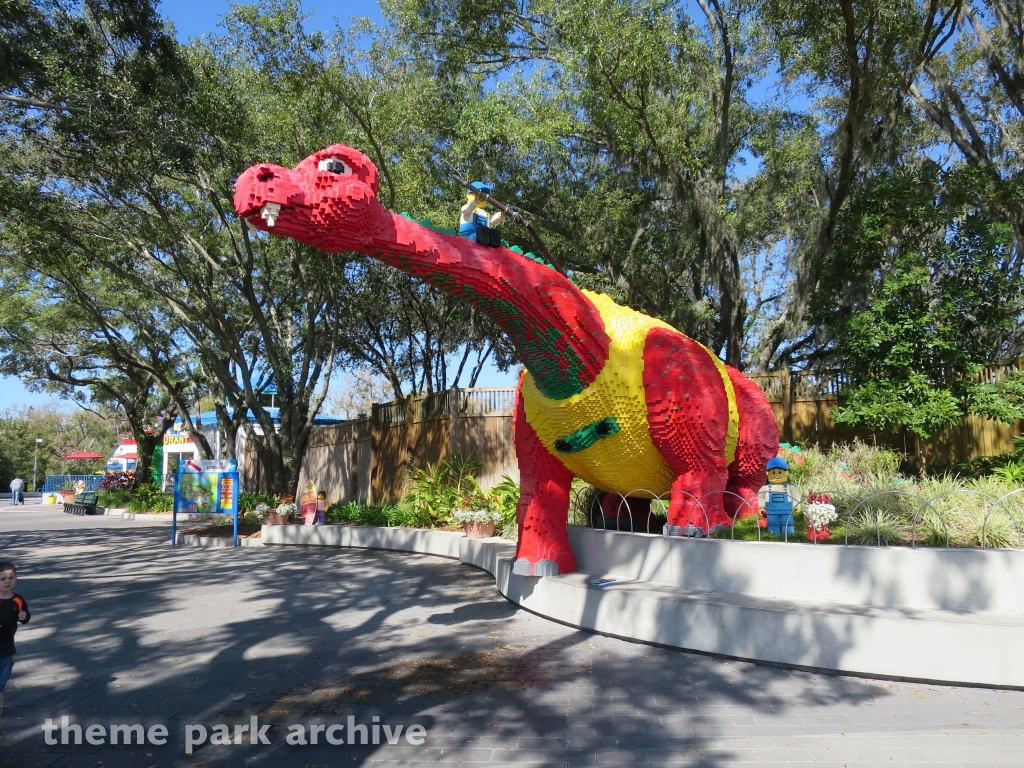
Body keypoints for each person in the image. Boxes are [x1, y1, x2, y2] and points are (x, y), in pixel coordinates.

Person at [0, 562, 30, 718]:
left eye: (11, 578)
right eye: (3, 578)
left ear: (16, 579)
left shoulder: (17, 600)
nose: (7, 581)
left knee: (3, 678)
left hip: (6, 647)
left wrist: (24, 616)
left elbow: (25, 616)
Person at [458, 182, 504, 247]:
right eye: (479, 194)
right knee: (479, 236)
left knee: (494, 236)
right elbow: (465, 210)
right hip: (468, 236)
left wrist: (500, 215)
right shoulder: (467, 208)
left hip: (485, 237)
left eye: (484, 196)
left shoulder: (485, 213)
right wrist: (475, 202)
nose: (482, 198)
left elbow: (491, 221)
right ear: (469, 195)